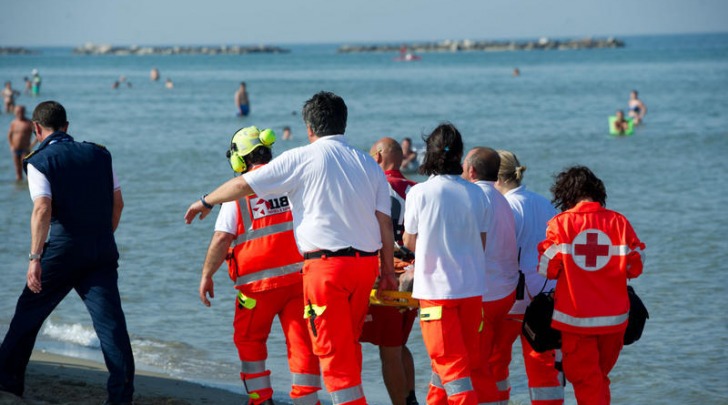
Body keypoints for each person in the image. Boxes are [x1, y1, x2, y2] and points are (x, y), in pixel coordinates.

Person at [185, 91, 396, 405]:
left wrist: (205, 201)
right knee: (345, 344)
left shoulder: (301, 159)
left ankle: (285, 398)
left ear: (309, 129)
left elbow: (242, 189)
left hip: (320, 271)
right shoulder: (368, 163)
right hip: (363, 268)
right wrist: (388, 271)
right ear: (344, 123)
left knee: (330, 351)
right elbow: (385, 224)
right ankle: (309, 399)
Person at [0, 101, 135, 404]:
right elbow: (119, 203)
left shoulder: (39, 160)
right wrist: (101, 238)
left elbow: (42, 208)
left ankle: (7, 384)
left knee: (27, 316)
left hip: (61, 251)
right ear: (67, 127)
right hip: (100, 248)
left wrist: (35, 259)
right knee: (112, 327)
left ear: (36, 129)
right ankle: (121, 397)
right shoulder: (100, 154)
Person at [198, 126, 320, 405]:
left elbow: (221, 238)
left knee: (250, 341)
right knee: (302, 344)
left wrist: (206, 275)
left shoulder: (236, 192)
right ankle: (307, 400)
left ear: (238, 161)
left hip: (256, 289)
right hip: (299, 282)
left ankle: (260, 398)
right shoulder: (290, 182)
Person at [538, 166, 645, 405]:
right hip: (615, 321)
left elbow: (547, 269)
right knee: (598, 379)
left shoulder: (560, 224)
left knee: (587, 381)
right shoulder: (619, 222)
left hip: (576, 322)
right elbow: (636, 267)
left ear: (565, 194)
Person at [402, 123, 487, 405]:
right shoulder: (477, 193)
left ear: (429, 153)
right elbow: (482, 241)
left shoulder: (419, 193)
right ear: (460, 156)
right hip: (472, 290)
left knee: (450, 364)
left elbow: (410, 241)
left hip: (436, 294)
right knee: (456, 365)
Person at [493, 150, 564, 405]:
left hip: (514, 297)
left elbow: (499, 254)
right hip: (547, 297)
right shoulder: (543, 203)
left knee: (495, 361)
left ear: (496, 179)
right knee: (545, 365)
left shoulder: (505, 207)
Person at [361, 137, 419, 405]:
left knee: (390, 349)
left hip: (389, 275)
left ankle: (402, 403)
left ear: (377, 157)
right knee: (399, 342)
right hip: (415, 277)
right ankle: (412, 398)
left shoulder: (372, 188)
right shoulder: (416, 189)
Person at [461, 147, 520, 405]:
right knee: (495, 363)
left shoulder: (475, 197)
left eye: (463, 167)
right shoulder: (501, 200)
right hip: (506, 292)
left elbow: (468, 246)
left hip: (485, 294)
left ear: (472, 171)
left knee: (476, 365)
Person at [7, 105, 36, 181]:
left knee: (27, 169)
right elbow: (9, 135)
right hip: (15, 149)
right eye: (17, 112)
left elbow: (37, 135)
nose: (19, 113)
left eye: (21, 111)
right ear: (15, 112)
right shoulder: (13, 123)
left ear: (24, 112)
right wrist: (11, 146)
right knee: (17, 169)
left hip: (25, 149)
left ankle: (29, 186)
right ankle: (19, 188)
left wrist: (31, 146)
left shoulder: (29, 123)